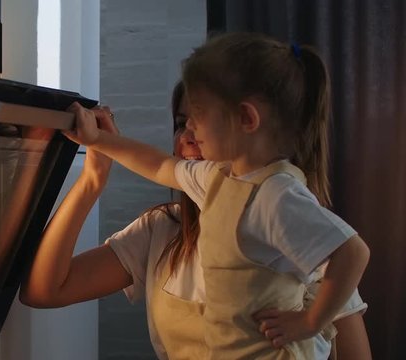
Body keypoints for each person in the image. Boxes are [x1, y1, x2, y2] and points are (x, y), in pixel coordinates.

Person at [62, 32, 370, 359]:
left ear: (246, 119)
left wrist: (309, 321)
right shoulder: (216, 180)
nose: (190, 128)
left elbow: (353, 252)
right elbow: (158, 164)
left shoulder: (276, 194)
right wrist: (98, 140)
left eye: (198, 113)